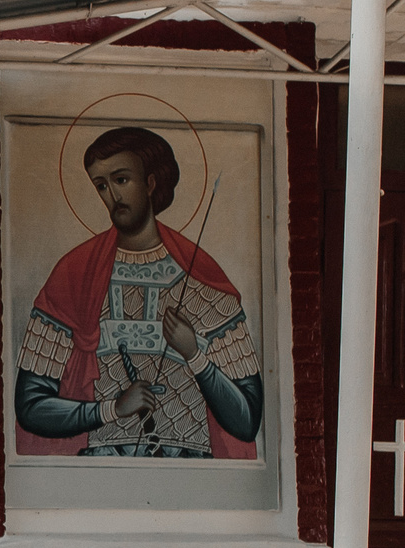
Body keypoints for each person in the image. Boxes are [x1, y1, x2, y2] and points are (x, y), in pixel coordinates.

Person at [14, 125, 262, 458]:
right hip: (101, 471)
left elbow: (247, 421)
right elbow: (31, 406)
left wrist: (195, 355)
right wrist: (112, 409)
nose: (112, 196)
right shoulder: (74, 276)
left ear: (150, 182)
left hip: (192, 472)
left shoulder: (203, 281)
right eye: (101, 185)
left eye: (121, 180)